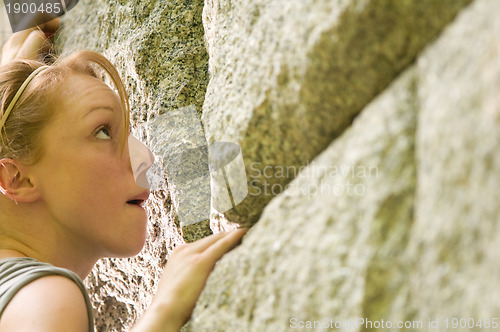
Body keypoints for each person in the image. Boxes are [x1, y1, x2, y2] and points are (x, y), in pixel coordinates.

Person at [0, 20, 246, 332]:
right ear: (18, 179)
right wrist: (163, 313)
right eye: (102, 132)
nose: (146, 158)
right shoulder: (46, 297)